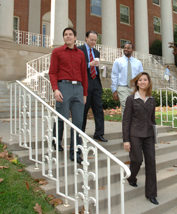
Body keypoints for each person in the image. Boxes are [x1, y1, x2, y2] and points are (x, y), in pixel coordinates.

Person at [49, 27, 88, 164]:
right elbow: (52, 72)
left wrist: (84, 93)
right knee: (62, 118)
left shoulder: (81, 54)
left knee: (77, 122)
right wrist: (55, 89)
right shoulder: (57, 52)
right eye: (65, 35)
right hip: (63, 87)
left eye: (70, 34)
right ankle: (56, 142)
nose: (68, 36)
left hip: (78, 88)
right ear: (64, 37)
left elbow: (84, 74)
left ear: (75, 37)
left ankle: (75, 153)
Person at [123, 72, 159, 205]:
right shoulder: (131, 99)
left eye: (145, 80)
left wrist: (154, 139)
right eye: (140, 80)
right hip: (135, 135)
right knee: (137, 160)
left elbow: (152, 120)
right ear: (137, 82)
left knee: (151, 163)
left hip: (149, 135)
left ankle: (152, 194)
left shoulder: (152, 99)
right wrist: (126, 140)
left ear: (148, 82)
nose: (143, 82)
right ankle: (131, 177)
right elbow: (126, 120)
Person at [78, 31, 107, 142]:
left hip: (96, 83)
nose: (93, 42)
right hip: (85, 82)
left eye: (95, 40)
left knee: (98, 109)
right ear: (86, 38)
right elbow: (77, 66)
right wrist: (89, 64)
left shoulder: (96, 52)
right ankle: (80, 133)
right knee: (84, 110)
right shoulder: (79, 50)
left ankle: (99, 133)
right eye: (91, 39)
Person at [111, 42, 143, 115]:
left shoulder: (138, 63)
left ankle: (134, 126)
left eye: (128, 48)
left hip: (134, 88)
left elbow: (141, 77)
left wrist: (141, 89)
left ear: (132, 50)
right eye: (125, 48)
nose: (126, 49)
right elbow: (114, 76)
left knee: (136, 108)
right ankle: (126, 126)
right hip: (123, 88)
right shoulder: (118, 61)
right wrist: (114, 90)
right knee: (126, 108)